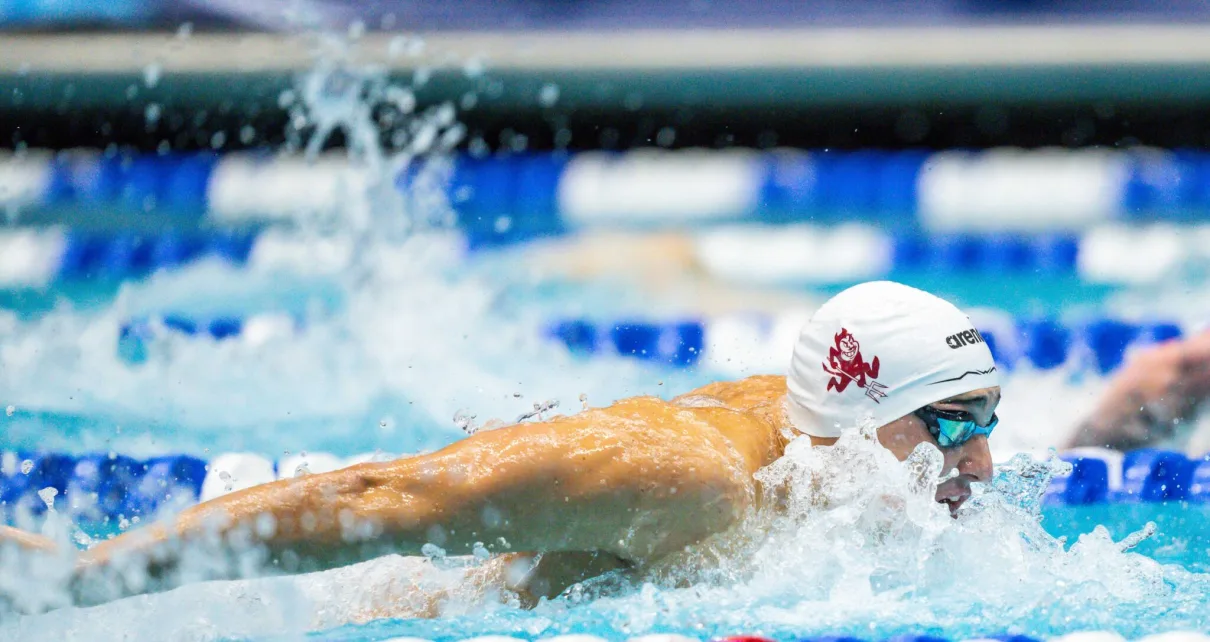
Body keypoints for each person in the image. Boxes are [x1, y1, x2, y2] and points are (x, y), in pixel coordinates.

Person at [0, 281, 1201, 614]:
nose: (981, 464)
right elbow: (379, 492)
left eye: (984, 421)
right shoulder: (675, 471)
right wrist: (84, 581)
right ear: (859, 420)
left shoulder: (840, 459)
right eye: (951, 427)